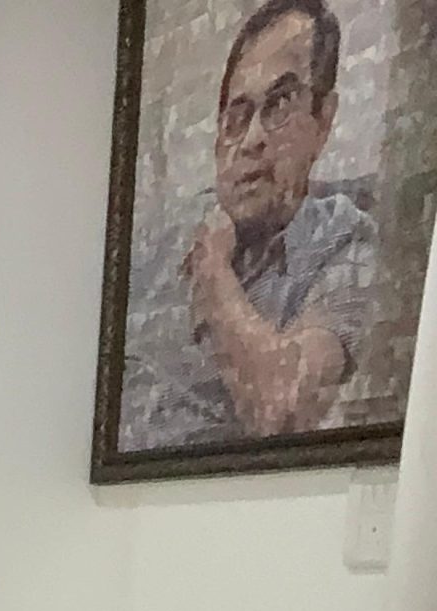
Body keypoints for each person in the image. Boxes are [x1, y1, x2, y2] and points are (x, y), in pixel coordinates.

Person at [126, 0, 376, 449]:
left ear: (323, 120)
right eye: (237, 117)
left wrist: (213, 271)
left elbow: (282, 409)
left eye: (280, 103)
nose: (252, 139)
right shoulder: (156, 242)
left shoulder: (346, 242)